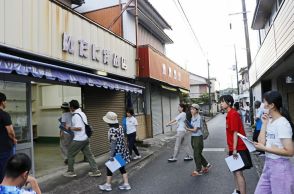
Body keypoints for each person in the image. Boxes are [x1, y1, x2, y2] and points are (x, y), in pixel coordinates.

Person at [254, 91, 294, 194]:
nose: (262, 105)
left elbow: (289, 151)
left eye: (264, 102)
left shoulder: (282, 123)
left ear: (271, 105)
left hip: (281, 168)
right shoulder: (270, 121)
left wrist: (265, 149)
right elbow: (261, 142)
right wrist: (264, 124)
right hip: (268, 165)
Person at [220, 95, 253, 194]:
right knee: (235, 171)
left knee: (238, 173)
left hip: (238, 147)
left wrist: (233, 149)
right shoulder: (229, 114)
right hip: (234, 146)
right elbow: (230, 133)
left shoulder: (233, 114)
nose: (220, 103)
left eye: (222, 102)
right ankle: (237, 190)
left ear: (229, 103)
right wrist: (229, 146)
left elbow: (235, 132)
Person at [63, 100, 101, 178]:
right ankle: (95, 170)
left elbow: (79, 128)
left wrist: (69, 128)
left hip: (79, 139)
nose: (69, 108)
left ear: (72, 107)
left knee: (70, 154)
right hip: (85, 138)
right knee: (89, 155)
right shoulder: (82, 113)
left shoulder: (76, 116)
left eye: (70, 106)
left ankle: (71, 171)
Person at [99, 112, 131, 191]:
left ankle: (108, 185)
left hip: (116, 152)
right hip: (122, 150)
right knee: (121, 168)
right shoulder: (120, 127)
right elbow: (123, 138)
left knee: (110, 167)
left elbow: (113, 144)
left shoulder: (112, 130)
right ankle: (126, 184)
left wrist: (111, 156)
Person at [185, 104, 211, 176]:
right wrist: (188, 126)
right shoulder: (193, 117)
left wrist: (187, 129)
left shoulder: (198, 118)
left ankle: (198, 169)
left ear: (197, 110)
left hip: (198, 137)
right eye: (191, 109)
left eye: (193, 109)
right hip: (193, 136)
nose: (191, 110)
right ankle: (206, 164)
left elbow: (195, 130)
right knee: (197, 153)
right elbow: (193, 127)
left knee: (196, 154)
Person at [0, 92, 17, 183]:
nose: (6, 103)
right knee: (6, 171)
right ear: (2, 102)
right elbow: (10, 131)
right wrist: (14, 139)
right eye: (5, 101)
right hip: (5, 148)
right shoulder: (4, 115)